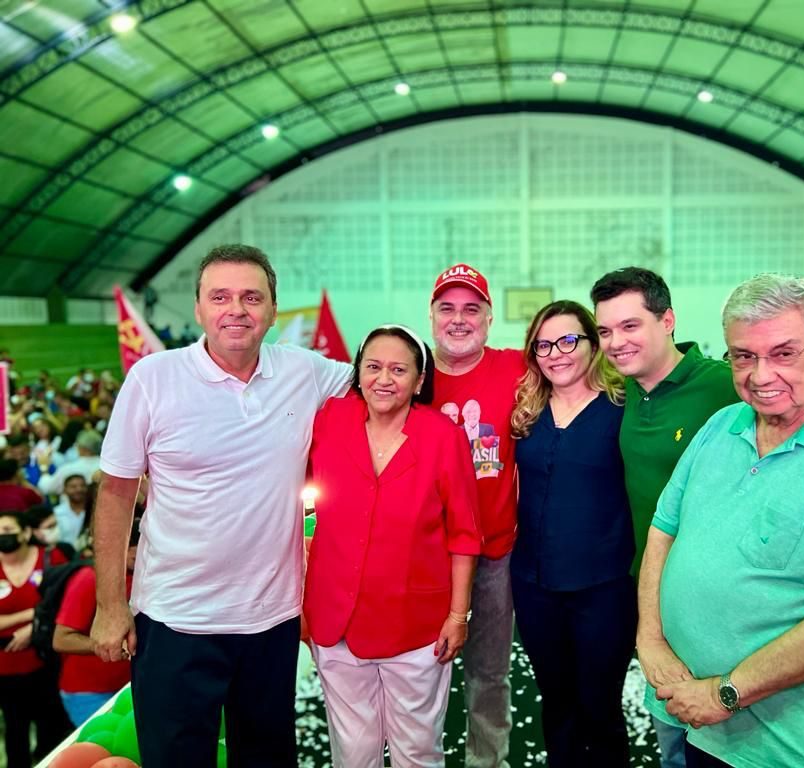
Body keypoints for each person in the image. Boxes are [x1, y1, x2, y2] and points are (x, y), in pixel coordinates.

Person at [590, 267, 804, 768]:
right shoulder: (722, 424)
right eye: (744, 356)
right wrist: (651, 640)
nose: (761, 375)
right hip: (690, 717)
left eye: (783, 353)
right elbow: (664, 528)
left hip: (781, 747)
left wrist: (724, 693)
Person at [91, 245, 354, 768]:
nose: (237, 309)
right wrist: (109, 605)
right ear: (198, 308)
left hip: (271, 621)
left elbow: (387, 376)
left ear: (273, 310)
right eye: (220, 297)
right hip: (174, 620)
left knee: (267, 759)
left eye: (252, 297)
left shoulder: (305, 371)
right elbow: (116, 495)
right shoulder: (152, 379)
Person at [304, 325, 481, 768]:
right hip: (336, 621)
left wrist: (457, 616)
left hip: (416, 626)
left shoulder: (442, 436)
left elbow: (464, 534)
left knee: (417, 751)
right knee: (352, 751)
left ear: (419, 382)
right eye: (373, 367)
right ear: (358, 373)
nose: (384, 379)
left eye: (399, 370)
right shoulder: (329, 420)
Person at [510, 301, 634, 767]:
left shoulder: (622, 409)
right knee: (557, 703)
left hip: (603, 588)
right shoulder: (526, 413)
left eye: (567, 340)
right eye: (543, 345)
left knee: (600, 707)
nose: (555, 354)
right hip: (535, 585)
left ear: (593, 343)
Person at [428, 264, 525, 768]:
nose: (459, 319)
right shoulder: (413, 372)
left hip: (493, 552)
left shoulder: (517, 368)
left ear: (489, 318)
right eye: (447, 308)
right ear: (431, 317)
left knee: (489, 672)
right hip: (424, 555)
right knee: (421, 671)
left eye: (471, 309)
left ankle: (487, 760)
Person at [0, 510, 72, 768]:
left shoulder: (52, 558)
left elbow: (68, 602)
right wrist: (36, 614)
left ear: (26, 532)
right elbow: (49, 607)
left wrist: (33, 628)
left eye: (8, 530)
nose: (2, 536)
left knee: (52, 727)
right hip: (6, 666)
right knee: (15, 730)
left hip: (49, 658)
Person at [54, 516, 142, 725]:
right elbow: (61, 639)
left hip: (128, 684)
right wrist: (109, 645)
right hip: (88, 692)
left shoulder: (142, 576)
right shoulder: (89, 579)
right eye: (132, 547)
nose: (138, 553)